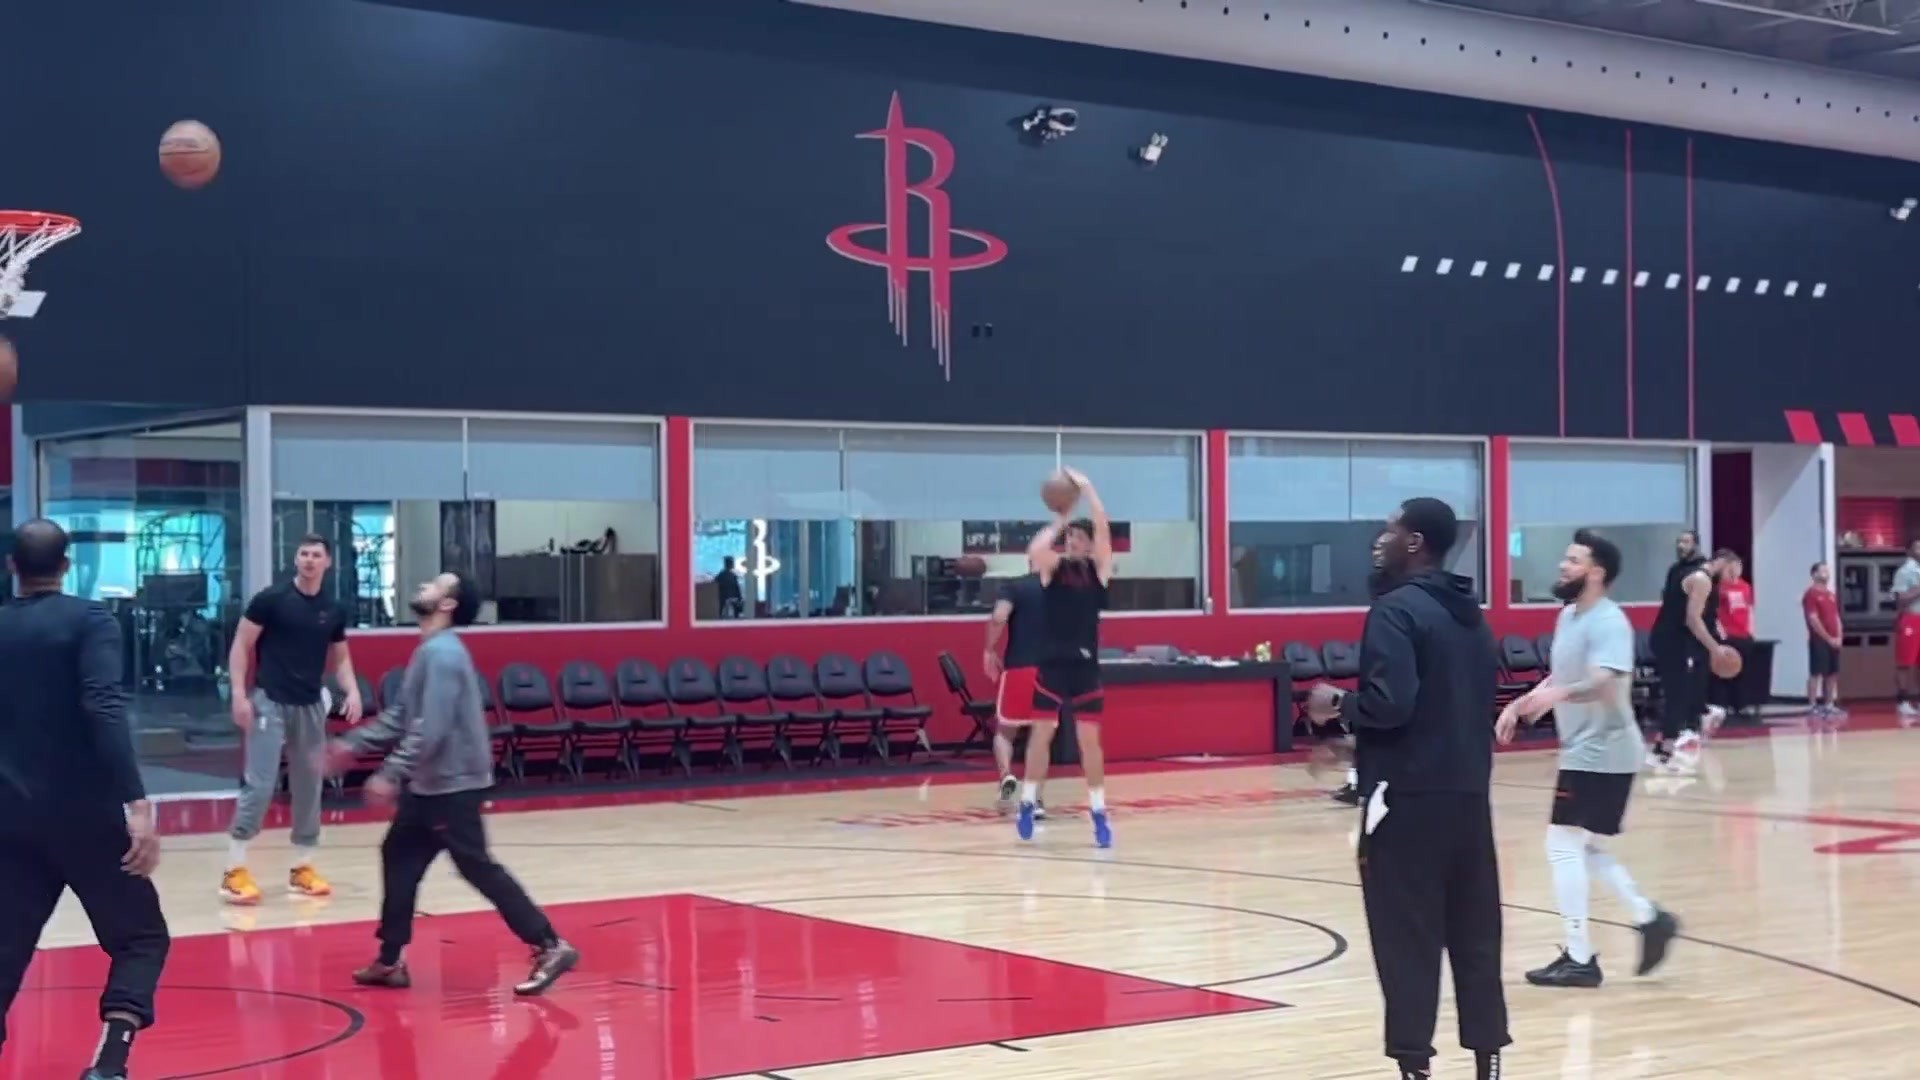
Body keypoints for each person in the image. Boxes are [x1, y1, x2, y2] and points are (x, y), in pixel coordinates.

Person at [1305, 498, 1507, 1080]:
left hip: (1406, 805)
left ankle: (1415, 1068)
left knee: (1406, 943)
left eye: (1390, 529)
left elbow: (1392, 705)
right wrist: (1360, 748)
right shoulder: (1472, 617)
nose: (1380, 538)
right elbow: (1444, 713)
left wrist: (1338, 704)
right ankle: (1489, 1063)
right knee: (1475, 939)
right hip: (1468, 799)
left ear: (1415, 542)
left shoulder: (1394, 610)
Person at [323, 570, 578, 995]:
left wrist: (389, 773)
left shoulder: (443, 655)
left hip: (452, 786)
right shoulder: (430, 651)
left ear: (447, 604)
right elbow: (402, 716)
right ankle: (390, 960)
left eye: (435, 585)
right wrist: (352, 744)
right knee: (399, 854)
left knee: (476, 865)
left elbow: (431, 729)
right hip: (429, 785)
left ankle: (550, 944)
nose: (424, 585)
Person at [0, 520, 170, 1080]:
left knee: (5, 949)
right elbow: (103, 704)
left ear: (12, 568)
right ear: (67, 567)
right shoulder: (91, 620)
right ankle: (110, 1063)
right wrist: (136, 801)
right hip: (86, 817)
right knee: (141, 938)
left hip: (11, 817)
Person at [1497, 529, 1679, 990]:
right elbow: (1560, 678)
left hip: (1605, 748)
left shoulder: (1609, 621)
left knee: (1562, 844)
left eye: (1574, 560)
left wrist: (1555, 695)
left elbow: (1604, 682)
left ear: (1596, 573)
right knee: (1580, 846)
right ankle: (1648, 918)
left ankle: (1581, 956)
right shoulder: (1568, 616)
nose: (1563, 565)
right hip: (1585, 747)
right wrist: (1520, 704)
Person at [223, 533, 362, 905]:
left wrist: (352, 691)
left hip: (310, 706)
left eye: (316, 554)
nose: (309, 560)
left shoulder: (332, 609)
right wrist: (238, 694)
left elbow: (341, 657)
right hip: (269, 701)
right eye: (304, 554)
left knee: (309, 786)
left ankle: (302, 868)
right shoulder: (271, 600)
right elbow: (241, 645)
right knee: (260, 785)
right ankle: (234, 870)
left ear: (327, 562)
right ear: (295, 559)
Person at [1016, 467, 1113, 848]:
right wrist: (1062, 518)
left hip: (1085, 668)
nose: (1072, 542)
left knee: (1090, 742)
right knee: (1042, 734)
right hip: (1052, 664)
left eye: (1079, 538)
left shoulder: (1098, 571)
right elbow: (1035, 551)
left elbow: (1103, 529)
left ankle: (1099, 812)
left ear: (1088, 546)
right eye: (1070, 537)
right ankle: (1027, 801)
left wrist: (1087, 488)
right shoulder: (1053, 569)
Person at [1647, 532, 1737, 771]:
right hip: (1673, 640)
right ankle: (1667, 750)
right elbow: (1693, 620)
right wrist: (1715, 648)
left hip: (1668, 638)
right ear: (1724, 563)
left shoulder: (1693, 575)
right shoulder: (1701, 579)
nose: (1732, 579)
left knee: (1679, 693)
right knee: (1678, 695)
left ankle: (1668, 746)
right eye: (1731, 573)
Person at [983, 564, 1047, 816]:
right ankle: (1036, 799)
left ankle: (1006, 776)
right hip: (1051, 671)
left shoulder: (1015, 587)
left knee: (1005, 732)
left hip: (1020, 668)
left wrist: (989, 649)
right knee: (1041, 736)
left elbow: (999, 617)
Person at [1710, 554, 1754, 719]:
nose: (1735, 569)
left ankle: (1741, 705)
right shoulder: (1719, 588)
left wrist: (1751, 630)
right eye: (1732, 566)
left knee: (1743, 671)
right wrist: (1721, 632)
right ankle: (1722, 704)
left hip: (1743, 634)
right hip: (1727, 634)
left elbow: (1749, 609)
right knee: (1723, 671)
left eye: (1738, 566)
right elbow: (1714, 612)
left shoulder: (1745, 587)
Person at [1802, 561, 1845, 720]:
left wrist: (1839, 637)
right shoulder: (1810, 595)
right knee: (1816, 672)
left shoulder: (1831, 595)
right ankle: (1812, 705)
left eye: (1827, 571)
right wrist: (1828, 638)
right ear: (1814, 574)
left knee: (1832, 673)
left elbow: (1836, 617)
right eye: (1822, 571)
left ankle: (1829, 704)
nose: (1826, 574)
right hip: (1819, 640)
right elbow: (1813, 619)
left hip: (1834, 640)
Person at [1891, 539, 1920, 724]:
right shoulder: (1904, 572)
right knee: (1905, 662)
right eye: (1918, 547)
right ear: (1910, 551)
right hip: (1911, 618)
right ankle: (1902, 701)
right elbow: (1900, 599)